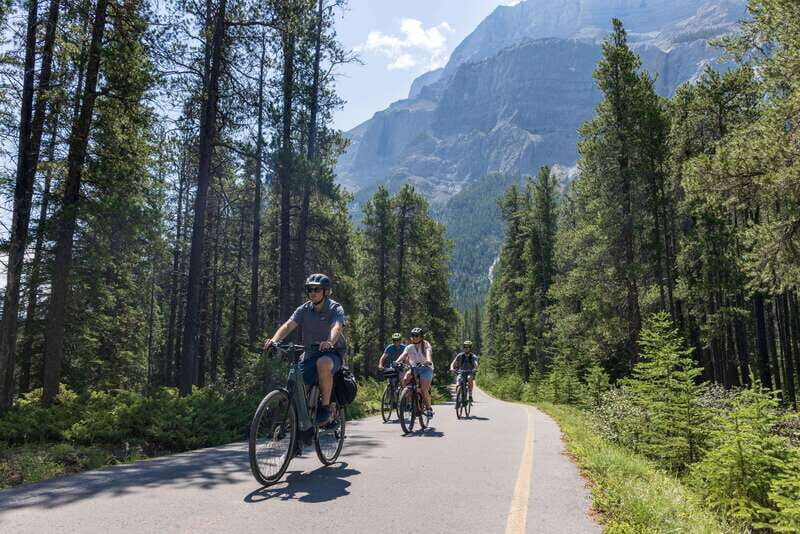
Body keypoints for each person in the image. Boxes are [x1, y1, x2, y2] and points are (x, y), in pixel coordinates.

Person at [263, 273, 346, 427]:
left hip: (332, 352)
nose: (312, 292)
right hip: (310, 352)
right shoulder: (304, 309)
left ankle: (325, 408)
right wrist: (274, 340)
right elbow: (288, 325)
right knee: (297, 386)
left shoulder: (335, 308)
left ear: (325, 291)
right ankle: (299, 427)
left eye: (316, 289)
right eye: (309, 289)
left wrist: (329, 341)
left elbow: (337, 326)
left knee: (323, 363)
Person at [395, 327, 434, 418]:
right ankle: (410, 403)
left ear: (421, 337)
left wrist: (428, 361)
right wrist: (397, 362)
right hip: (414, 369)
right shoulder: (409, 347)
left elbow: (428, 353)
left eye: (417, 335)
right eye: (413, 335)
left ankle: (429, 409)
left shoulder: (426, 345)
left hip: (426, 368)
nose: (415, 337)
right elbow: (403, 355)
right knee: (405, 379)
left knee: (424, 390)